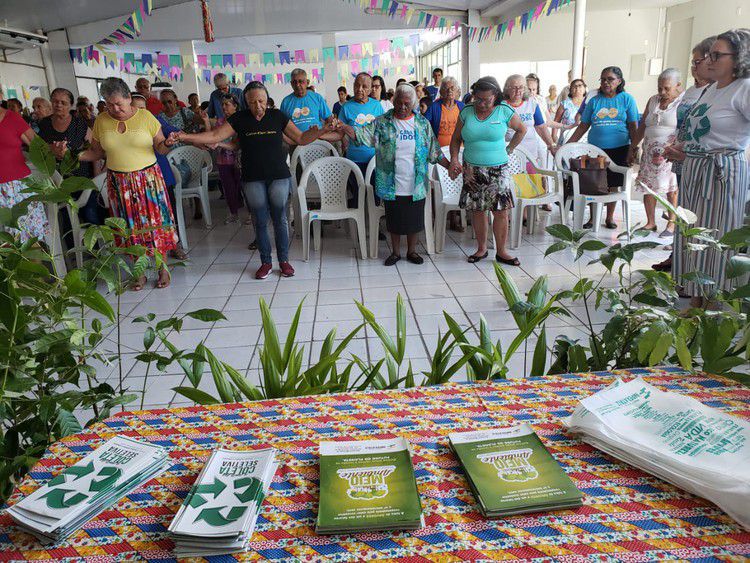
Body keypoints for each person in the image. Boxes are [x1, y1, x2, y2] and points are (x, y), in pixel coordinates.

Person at [170, 81, 338, 280]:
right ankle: (266, 262)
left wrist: (320, 130)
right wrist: (185, 137)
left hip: (278, 176)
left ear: (267, 99)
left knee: (280, 220)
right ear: (245, 102)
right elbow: (214, 135)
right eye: (252, 102)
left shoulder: (277, 116)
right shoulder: (239, 119)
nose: (258, 106)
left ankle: (283, 261)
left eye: (261, 101)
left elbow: (300, 138)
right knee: (259, 220)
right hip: (252, 177)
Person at [669, 29, 750, 307]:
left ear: (739, 57)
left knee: (716, 236)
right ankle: (696, 298)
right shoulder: (711, 89)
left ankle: (714, 302)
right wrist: (680, 150)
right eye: (709, 55)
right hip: (695, 169)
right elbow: (699, 131)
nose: (709, 60)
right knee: (693, 234)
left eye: (717, 55)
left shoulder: (744, 88)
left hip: (722, 172)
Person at [74, 78, 178, 290]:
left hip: (148, 180)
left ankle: (162, 268)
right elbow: (97, 152)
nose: (114, 109)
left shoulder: (146, 117)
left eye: (118, 104)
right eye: (109, 104)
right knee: (128, 228)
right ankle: (138, 273)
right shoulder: (101, 121)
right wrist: (71, 156)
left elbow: (161, 149)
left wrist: (166, 143)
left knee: (154, 225)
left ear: (129, 98)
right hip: (119, 183)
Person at [340, 84, 450, 266]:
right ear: (394, 101)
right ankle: (396, 252)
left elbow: (434, 151)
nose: (403, 106)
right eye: (399, 102)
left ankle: (412, 251)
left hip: (416, 181)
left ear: (413, 103)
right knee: (394, 219)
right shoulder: (383, 122)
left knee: (414, 219)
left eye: (407, 103)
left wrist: (449, 166)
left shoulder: (422, 124)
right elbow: (361, 135)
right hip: (391, 180)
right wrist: (344, 127)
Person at [653, 37, 716, 273]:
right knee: (684, 209)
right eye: (692, 62)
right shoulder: (692, 90)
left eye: (697, 61)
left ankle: (691, 265)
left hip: (702, 159)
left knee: (695, 214)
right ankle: (677, 256)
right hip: (682, 155)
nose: (693, 67)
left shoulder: (716, 92)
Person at [449, 76, 526, 265]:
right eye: (478, 99)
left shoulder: (504, 110)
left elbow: (522, 130)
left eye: (487, 100)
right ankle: (481, 249)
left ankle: (502, 251)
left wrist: (509, 149)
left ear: (496, 96)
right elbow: (455, 139)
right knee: (478, 210)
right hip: (471, 170)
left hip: (498, 169)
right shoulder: (466, 112)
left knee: (501, 211)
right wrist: (454, 159)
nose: (482, 104)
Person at [568, 66, 639, 229]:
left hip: (620, 148)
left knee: (613, 184)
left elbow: (633, 126)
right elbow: (583, 126)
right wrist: (567, 145)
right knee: (594, 183)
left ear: (619, 81)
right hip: (595, 149)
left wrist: (633, 149)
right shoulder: (594, 101)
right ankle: (593, 218)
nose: (606, 82)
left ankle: (609, 217)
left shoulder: (626, 99)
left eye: (610, 79)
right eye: (603, 79)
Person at [628, 68, 684, 236]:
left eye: (667, 88)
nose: (662, 92)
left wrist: (677, 148)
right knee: (648, 186)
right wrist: (633, 146)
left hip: (670, 151)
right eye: (660, 87)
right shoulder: (653, 100)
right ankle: (650, 222)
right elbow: (643, 125)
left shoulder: (683, 102)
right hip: (649, 151)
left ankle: (671, 224)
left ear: (678, 85)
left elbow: (684, 128)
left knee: (671, 188)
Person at [40, 88, 104, 225]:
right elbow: (38, 148)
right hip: (56, 181)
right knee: (67, 220)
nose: (58, 105)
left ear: (71, 105)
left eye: (63, 102)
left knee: (90, 215)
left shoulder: (79, 124)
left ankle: (98, 246)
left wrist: (96, 178)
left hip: (81, 178)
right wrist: (51, 148)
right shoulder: (44, 124)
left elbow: (95, 151)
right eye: (55, 101)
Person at [0, 93, 47, 242]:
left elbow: (39, 146)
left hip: (18, 188)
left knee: (29, 241)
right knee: (5, 248)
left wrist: (57, 150)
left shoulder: (12, 117)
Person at [424, 77, 465, 232]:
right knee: (437, 186)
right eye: (446, 88)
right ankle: (437, 218)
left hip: (458, 153)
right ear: (441, 91)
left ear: (457, 91)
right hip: (439, 154)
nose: (450, 91)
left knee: (455, 183)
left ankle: (454, 220)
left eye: (453, 88)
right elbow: (425, 126)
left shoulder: (462, 107)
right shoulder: (434, 107)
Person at [338, 72, 385, 207]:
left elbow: (383, 132)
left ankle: (375, 226)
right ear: (353, 86)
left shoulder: (377, 106)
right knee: (357, 197)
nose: (360, 89)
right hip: (354, 161)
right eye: (357, 85)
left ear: (370, 90)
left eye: (364, 86)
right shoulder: (346, 107)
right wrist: (321, 134)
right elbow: (340, 132)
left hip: (374, 160)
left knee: (375, 196)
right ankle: (357, 226)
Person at [204, 94, 246, 224]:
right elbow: (212, 136)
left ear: (235, 106)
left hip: (240, 160)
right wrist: (206, 121)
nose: (223, 107)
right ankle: (234, 213)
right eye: (222, 104)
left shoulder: (241, 120)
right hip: (223, 159)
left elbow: (236, 144)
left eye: (227, 104)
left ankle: (251, 213)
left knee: (244, 187)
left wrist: (219, 143)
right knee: (228, 188)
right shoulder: (220, 122)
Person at [503, 75, 557, 166]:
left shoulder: (531, 103)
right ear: (507, 89)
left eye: (521, 87)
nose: (518, 91)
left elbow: (541, 127)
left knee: (531, 179)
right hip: (510, 155)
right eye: (514, 88)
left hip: (530, 154)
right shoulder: (502, 106)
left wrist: (551, 145)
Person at [280, 68, 332, 133]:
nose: (297, 85)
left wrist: (325, 133)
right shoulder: (286, 102)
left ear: (307, 82)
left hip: (318, 139)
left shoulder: (317, 97)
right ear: (291, 84)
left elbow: (329, 118)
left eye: (301, 81)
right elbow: (282, 125)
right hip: (295, 141)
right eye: (294, 82)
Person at [553, 78, 586, 145]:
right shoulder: (565, 104)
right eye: (574, 86)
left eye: (580, 85)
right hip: (566, 139)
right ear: (570, 90)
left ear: (585, 88)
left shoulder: (589, 103)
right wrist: (554, 137)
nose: (577, 88)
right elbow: (556, 121)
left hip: (584, 140)